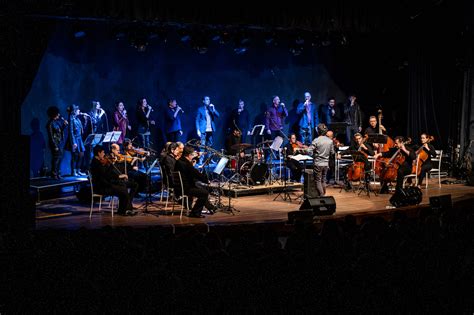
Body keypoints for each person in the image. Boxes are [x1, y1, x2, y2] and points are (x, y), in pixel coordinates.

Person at [89, 145, 137, 216]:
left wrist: (110, 165)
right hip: (102, 187)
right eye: (103, 152)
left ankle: (125, 209)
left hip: (106, 184)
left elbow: (107, 174)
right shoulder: (96, 163)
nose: (104, 154)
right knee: (123, 189)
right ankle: (124, 210)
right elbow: (105, 176)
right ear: (99, 153)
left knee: (123, 185)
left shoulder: (99, 162)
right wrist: (111, 167)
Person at [175, 146, 216, 218]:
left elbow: (192, 173)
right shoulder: (185, 163)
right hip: (185, 188)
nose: (193, 156)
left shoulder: (181, 161)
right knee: (204, 193)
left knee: (201, 190)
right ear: (189, 155)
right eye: (192, 155)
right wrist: (206, 181)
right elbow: (196, 174)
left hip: (182, 186)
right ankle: (195, 213)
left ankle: (210, 207)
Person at [309, 123, 335, 196]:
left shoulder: (316, 140)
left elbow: (309, 151)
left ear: (318, 131)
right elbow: (332, 152)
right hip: (326, 164)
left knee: (318, 180)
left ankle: (322, 196)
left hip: (318, 164)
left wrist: (314, 154)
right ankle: (323, 195)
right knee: (323, 180)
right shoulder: (330, 141)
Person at [46, 106, 68, 179]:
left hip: (60, 142)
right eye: (57, 113)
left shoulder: (57, 122)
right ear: (54, 114)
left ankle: (58, 173)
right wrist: (55, 146)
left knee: (60, 158)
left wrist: (64, 124)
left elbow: (61, 130)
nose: (59, 115)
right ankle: (54, 173)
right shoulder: (50, 124)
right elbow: (51, 136)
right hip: (55, 144)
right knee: (56, 159)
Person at [65, 105, 86, 176]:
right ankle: (73, 171)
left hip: (79, 139)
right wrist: (73, 142)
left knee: (81, 154)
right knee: (75, 156)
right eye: (78, 110)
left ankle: (78, 169)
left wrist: (85, 120)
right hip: (75, 139)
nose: (79, 111)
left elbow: (82, 128)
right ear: (74, 111)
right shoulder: (71, 119)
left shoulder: (77, 119)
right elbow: (70, 131)